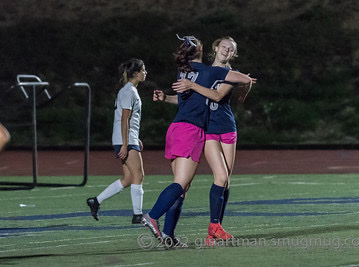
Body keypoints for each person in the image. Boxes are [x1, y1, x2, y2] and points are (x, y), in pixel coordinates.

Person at [141, 34, 255, 246]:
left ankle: (169, 235)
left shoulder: (186, 72)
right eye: (224, 46)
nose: (227, 51)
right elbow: (237, 83)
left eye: (231, 49)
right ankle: (154, 216)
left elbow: (190, 100)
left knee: (192, 186)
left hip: (180, 128)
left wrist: (166, 97)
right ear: (208, 50)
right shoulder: (211, 72)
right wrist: (244, 85)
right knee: (184, 184)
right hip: (194, 130)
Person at [87, 58, 146, 224]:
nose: (145, 73)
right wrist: (127, 144)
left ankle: (96, 201)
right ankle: (137, 215)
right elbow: (124, 119)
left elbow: (128, 119)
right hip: (124, 138)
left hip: (126, 137)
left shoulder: (129, 90)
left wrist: (135, 138)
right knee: (139, 175)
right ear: (135, 73)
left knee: (128, 178)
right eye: (143, 70)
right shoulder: (129, 91)